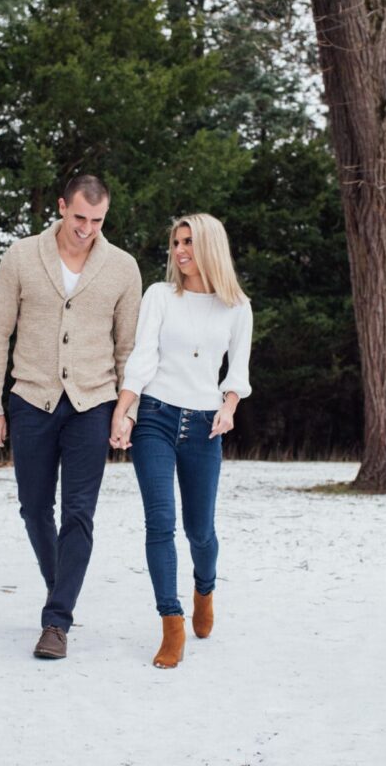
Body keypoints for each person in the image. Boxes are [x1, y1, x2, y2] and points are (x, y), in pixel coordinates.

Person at [0, 175, 142, 660]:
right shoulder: (21, 256)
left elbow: (128, 348)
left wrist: (125, 412)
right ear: (61, 208)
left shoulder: (123, 268)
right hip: (31, 398)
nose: (86, 229)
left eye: (97, 221)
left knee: (78, 514)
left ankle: (57, 622)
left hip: (92, 403)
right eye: (79, 218)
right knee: (34, 508)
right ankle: (61, 585)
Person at [109, 213, 253, 668]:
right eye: (175, 242)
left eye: (188, 241)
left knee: (200, 531)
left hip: (204, 425)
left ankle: (204, 590)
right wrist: (124, 408)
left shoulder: (236, 307)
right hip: (155, 415)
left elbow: (238, 374)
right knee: (160, 522)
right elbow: (143, 355)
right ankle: (171, 623)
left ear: (210, 245)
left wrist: (228, 409)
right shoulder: (159, 296)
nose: (180, 250)